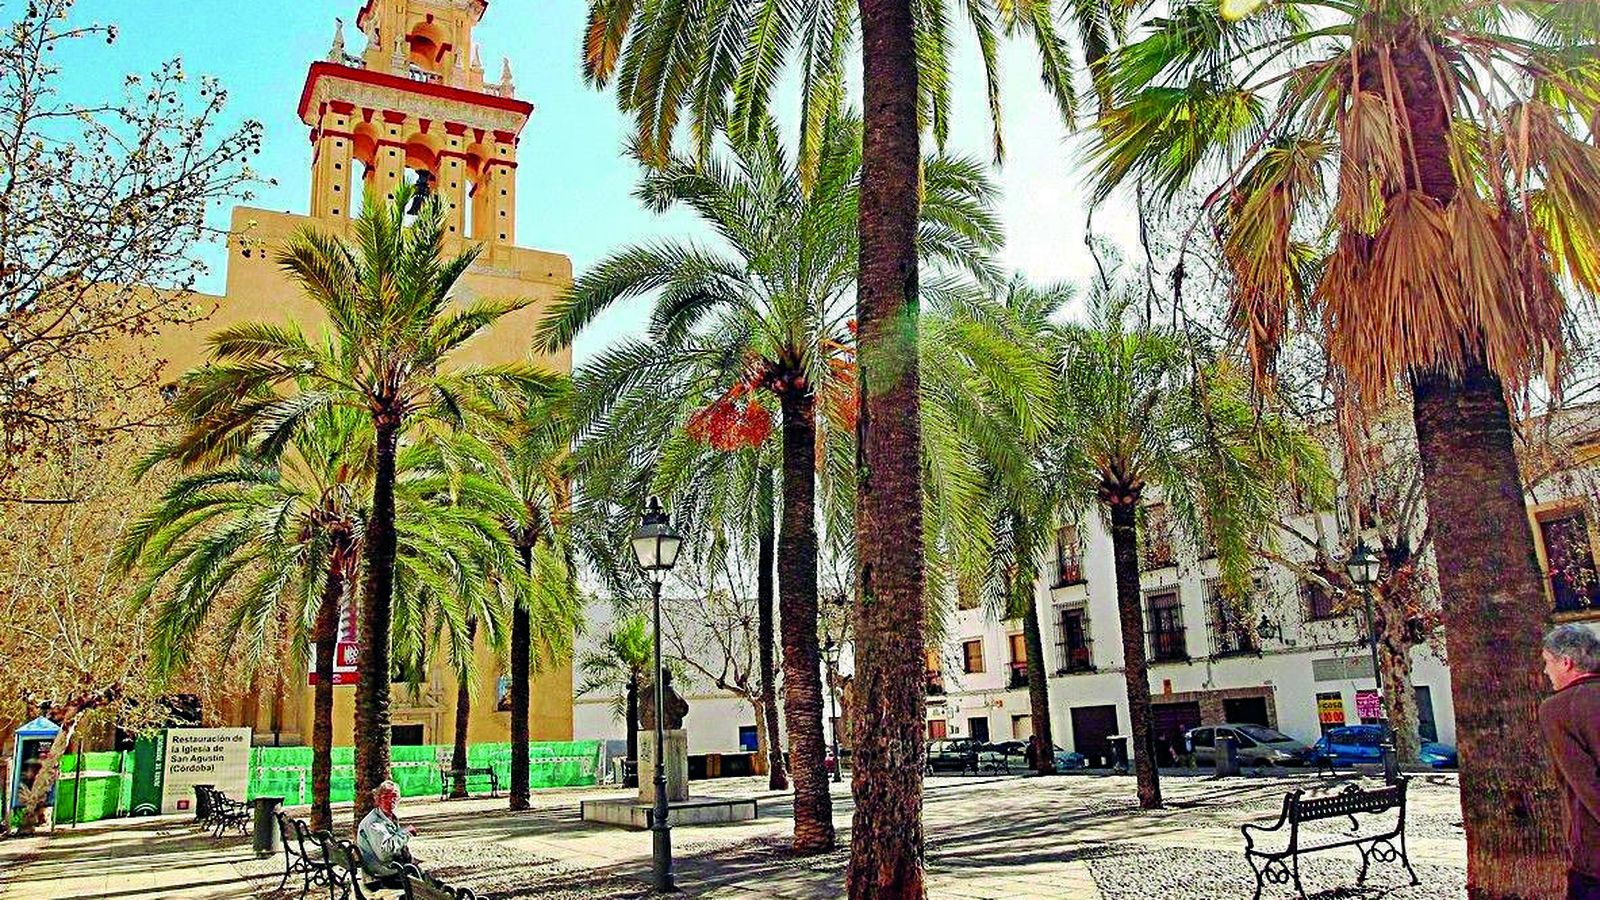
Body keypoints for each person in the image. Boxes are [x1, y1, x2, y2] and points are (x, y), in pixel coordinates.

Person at [1538, 624, 1600, 900]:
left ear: (1566, 662)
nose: (1545, 671)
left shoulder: (1558, 708)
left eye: (1547, 662)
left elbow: (1587, 784)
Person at [356, 780, 417, 889]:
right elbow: (384, 853)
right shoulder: (374, 823)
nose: (390, 801)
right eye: (386, 797)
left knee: (427, 880)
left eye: (394, 797)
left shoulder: (386, 817)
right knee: (422, 887)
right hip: (380, 877)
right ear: (378, 800)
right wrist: (405, 833)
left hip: (386, 871)